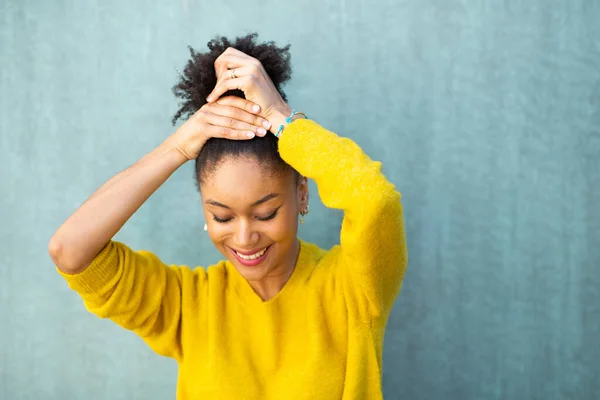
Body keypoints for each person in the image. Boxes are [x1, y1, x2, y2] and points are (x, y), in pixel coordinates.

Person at [48, 33, 408, 399]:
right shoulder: (187, 305)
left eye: (266, 213)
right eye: (222, 217)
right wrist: (177, 146)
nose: (244, 237)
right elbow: (70, 250)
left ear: (302, 193)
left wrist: (282, 120)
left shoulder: (353, 288)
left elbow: (374, 200)